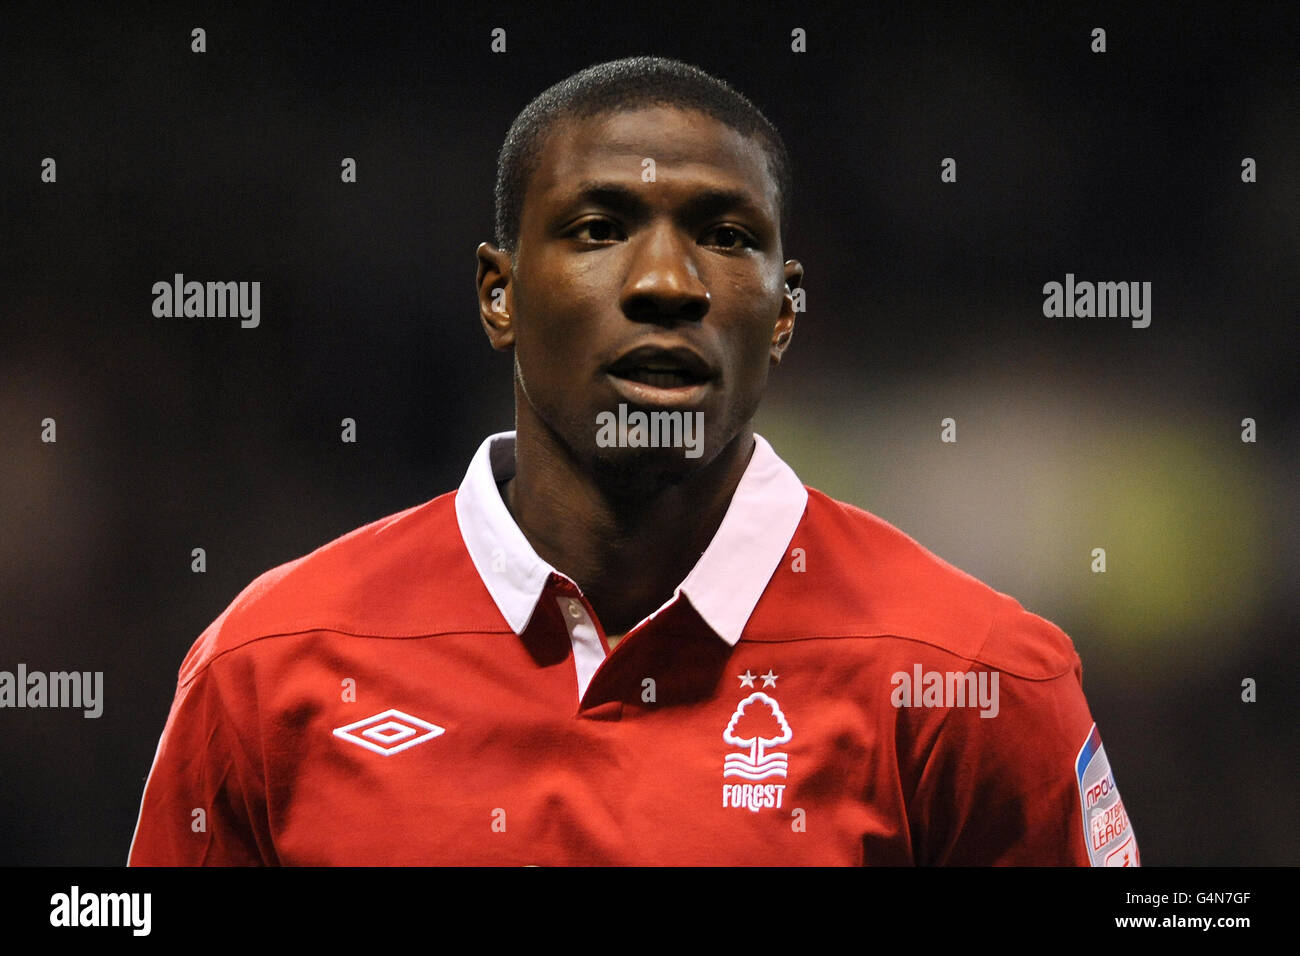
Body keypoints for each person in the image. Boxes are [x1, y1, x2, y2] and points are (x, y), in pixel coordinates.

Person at [129, 55, 1137, 866]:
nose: (666, 281)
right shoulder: (267, 671)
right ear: (500, 294)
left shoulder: (976, 678)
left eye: (725, 236)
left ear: (784, 313)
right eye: (600, 228)